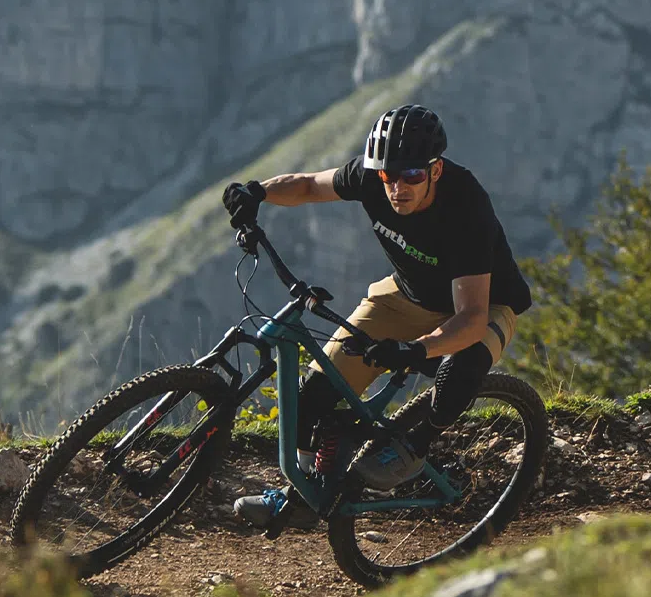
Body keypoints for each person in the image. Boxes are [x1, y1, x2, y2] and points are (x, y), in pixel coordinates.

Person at [219, 104, 533, 527]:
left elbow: (472, 317)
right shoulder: (371, 175)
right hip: (402, 298)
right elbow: (310, 186)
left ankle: (416, 447)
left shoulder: (466, 207)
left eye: (412, 176)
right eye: (388, 176)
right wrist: (258, 191)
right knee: (312, 396)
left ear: (435, 171)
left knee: (463, 364)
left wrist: (414, 350)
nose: (398, 187)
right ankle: (301, 498)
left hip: (482, 305)